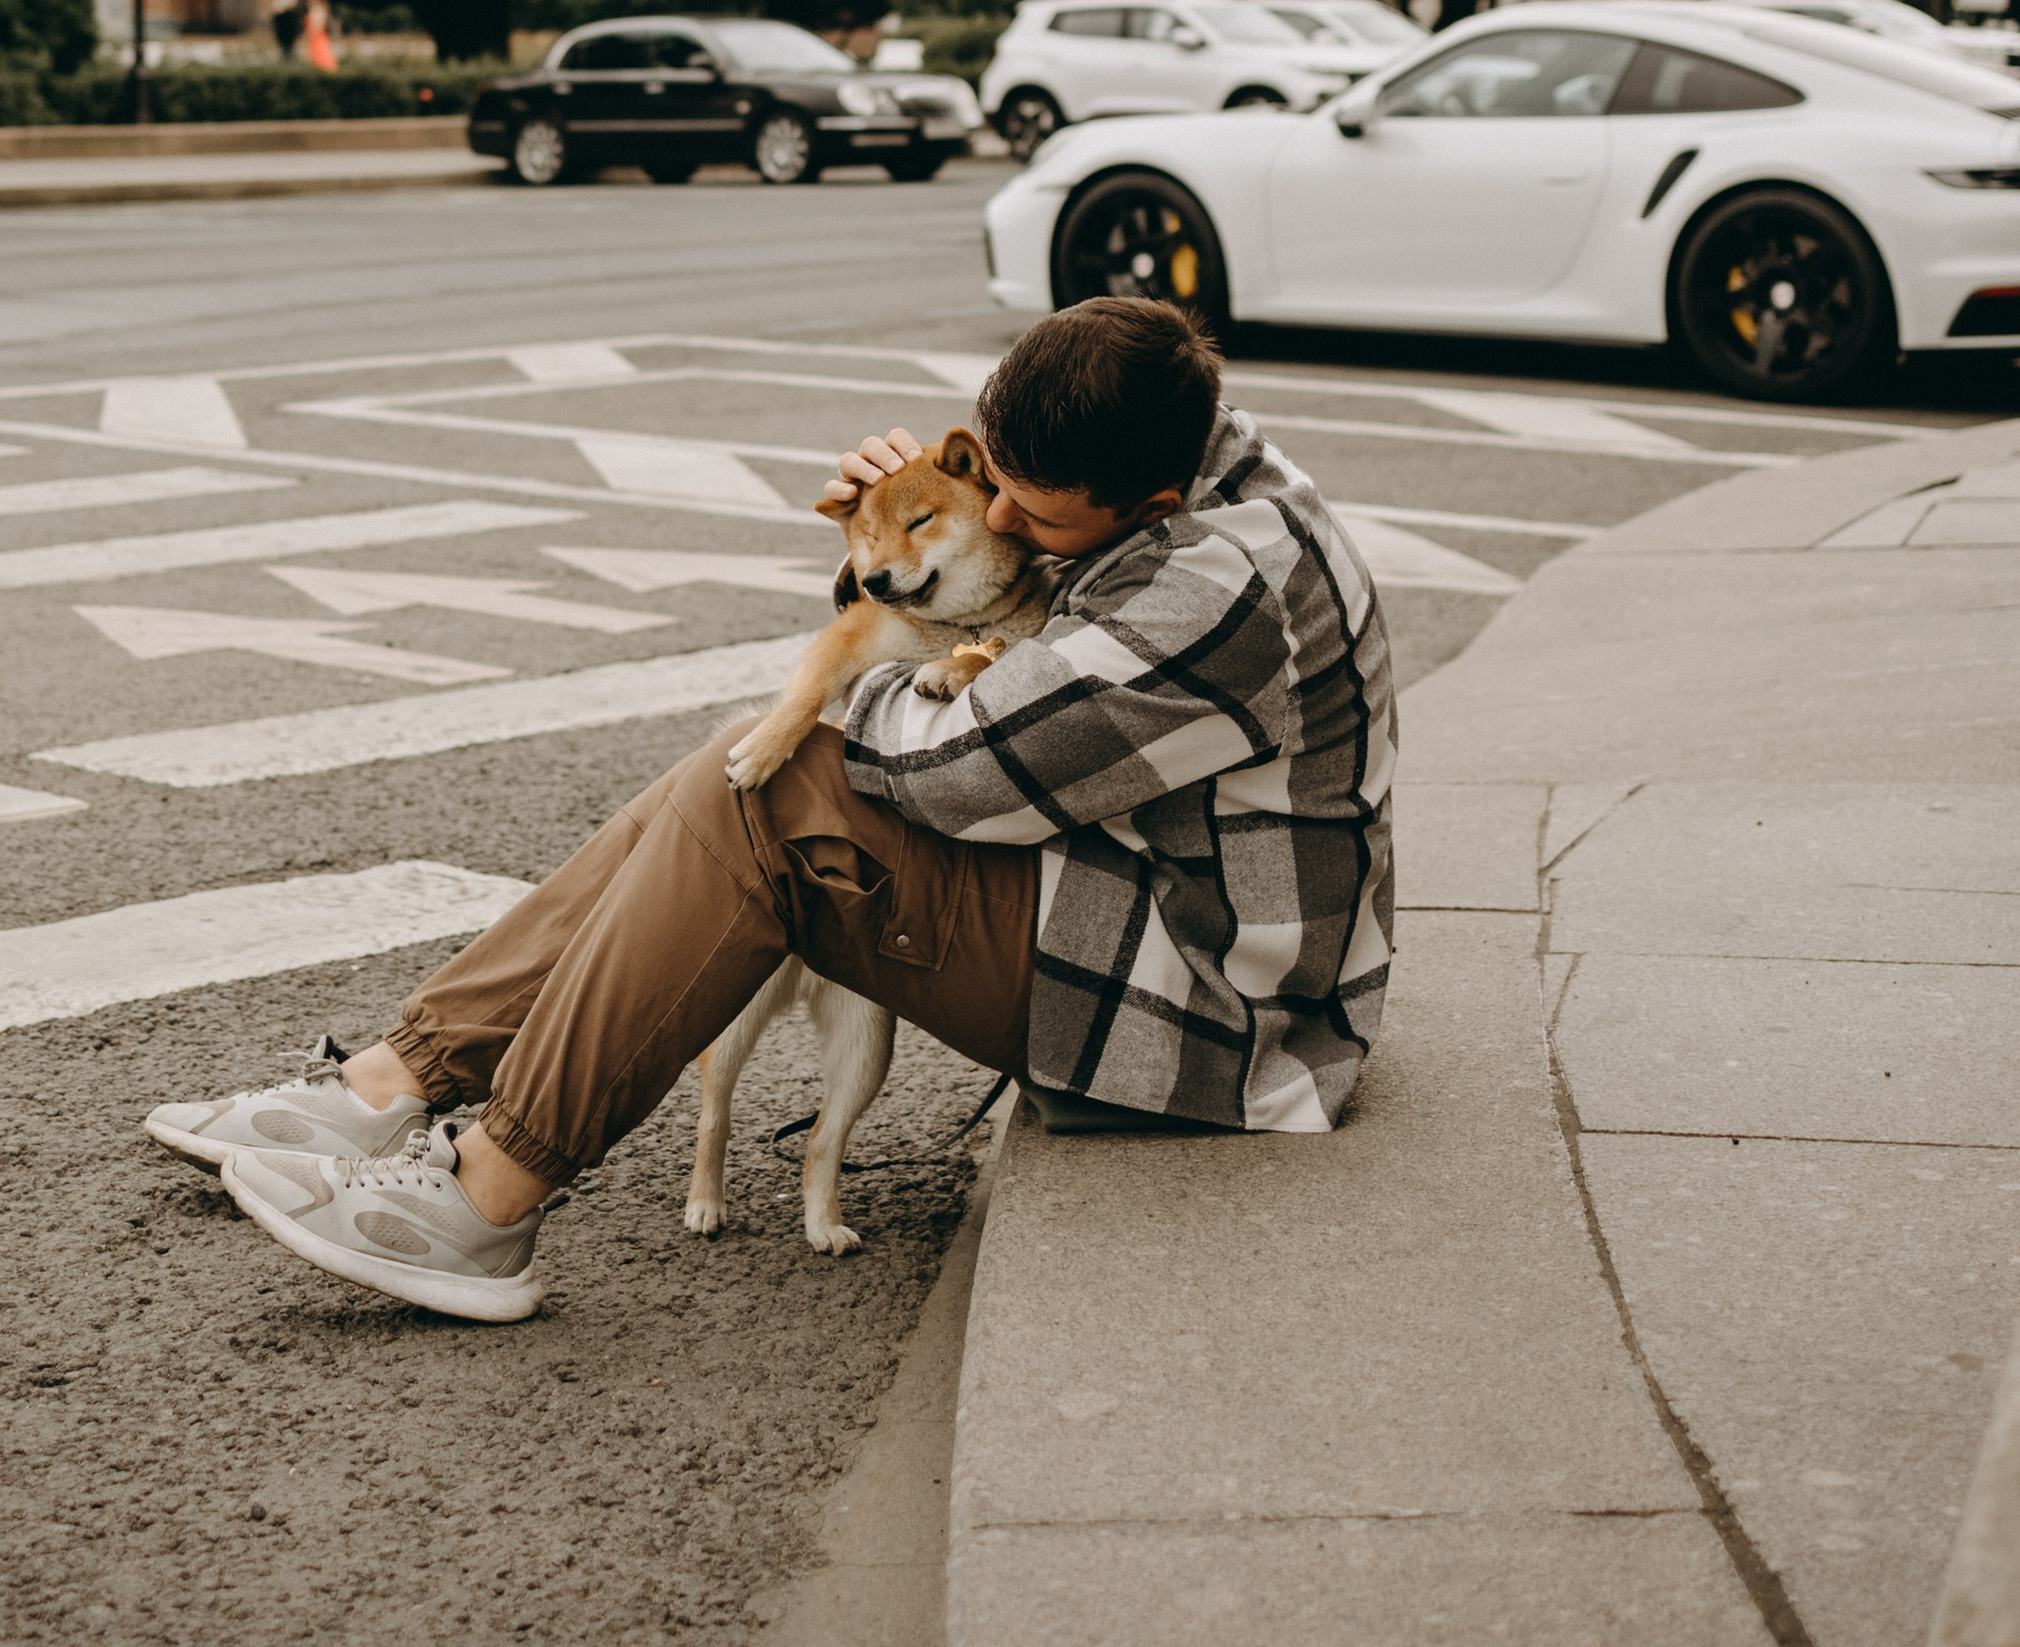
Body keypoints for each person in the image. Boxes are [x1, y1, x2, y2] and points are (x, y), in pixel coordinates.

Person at [143, 298, 1396, 1322]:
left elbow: (953, 771)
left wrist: (882, 628)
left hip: (1209, 1013)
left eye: (1034, 516)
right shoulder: (1181, 442)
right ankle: (390, 1083)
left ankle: (482, 1201)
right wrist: (889, 532)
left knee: (779, 783)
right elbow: (976, 649)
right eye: (992, 483)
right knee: (749, 761)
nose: (1005, 524)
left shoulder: (1213, 585)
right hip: (1135, 897)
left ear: (1148, 505)